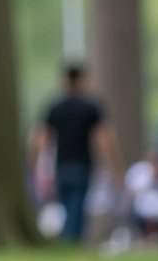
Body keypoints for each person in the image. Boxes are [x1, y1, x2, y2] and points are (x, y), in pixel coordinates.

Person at [28, 62, 122, 243]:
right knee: (76, 209)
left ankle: (68, 241)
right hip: (82, 165)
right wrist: (115, 168)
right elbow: (104, 139)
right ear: (82, 80)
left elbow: (39, 137)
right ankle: (70, 242)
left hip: (61, 166)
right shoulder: (91, 107)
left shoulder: (55, 107)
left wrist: (35, 164)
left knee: (68, 207)